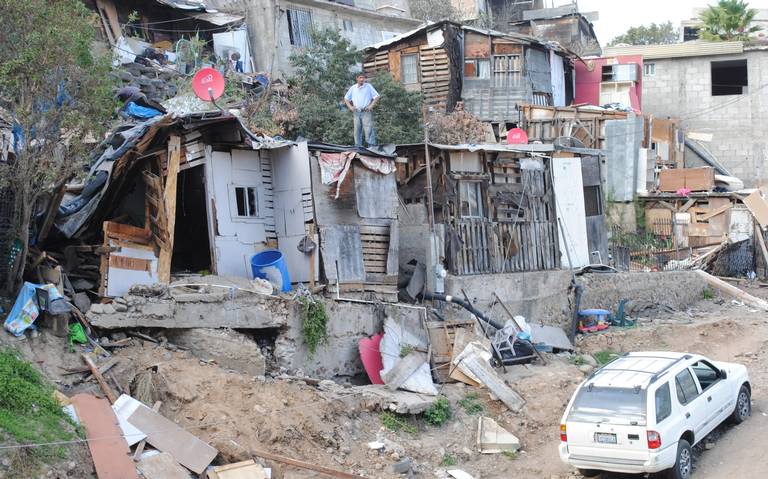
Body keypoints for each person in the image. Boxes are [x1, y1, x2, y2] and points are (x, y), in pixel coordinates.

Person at [344, 73, 380, 147]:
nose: (362, 79)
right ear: (357, 78)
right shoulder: (353, 88)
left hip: (366, 112)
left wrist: (371, 106)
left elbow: (377, 96)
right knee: (357, 131)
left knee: (368, 130)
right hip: (356, 112)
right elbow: (346, 98)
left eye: (363, 78)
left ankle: (372, 147)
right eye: (360, 78)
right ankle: (358, 147)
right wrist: (350, 107)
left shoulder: (368, 86)